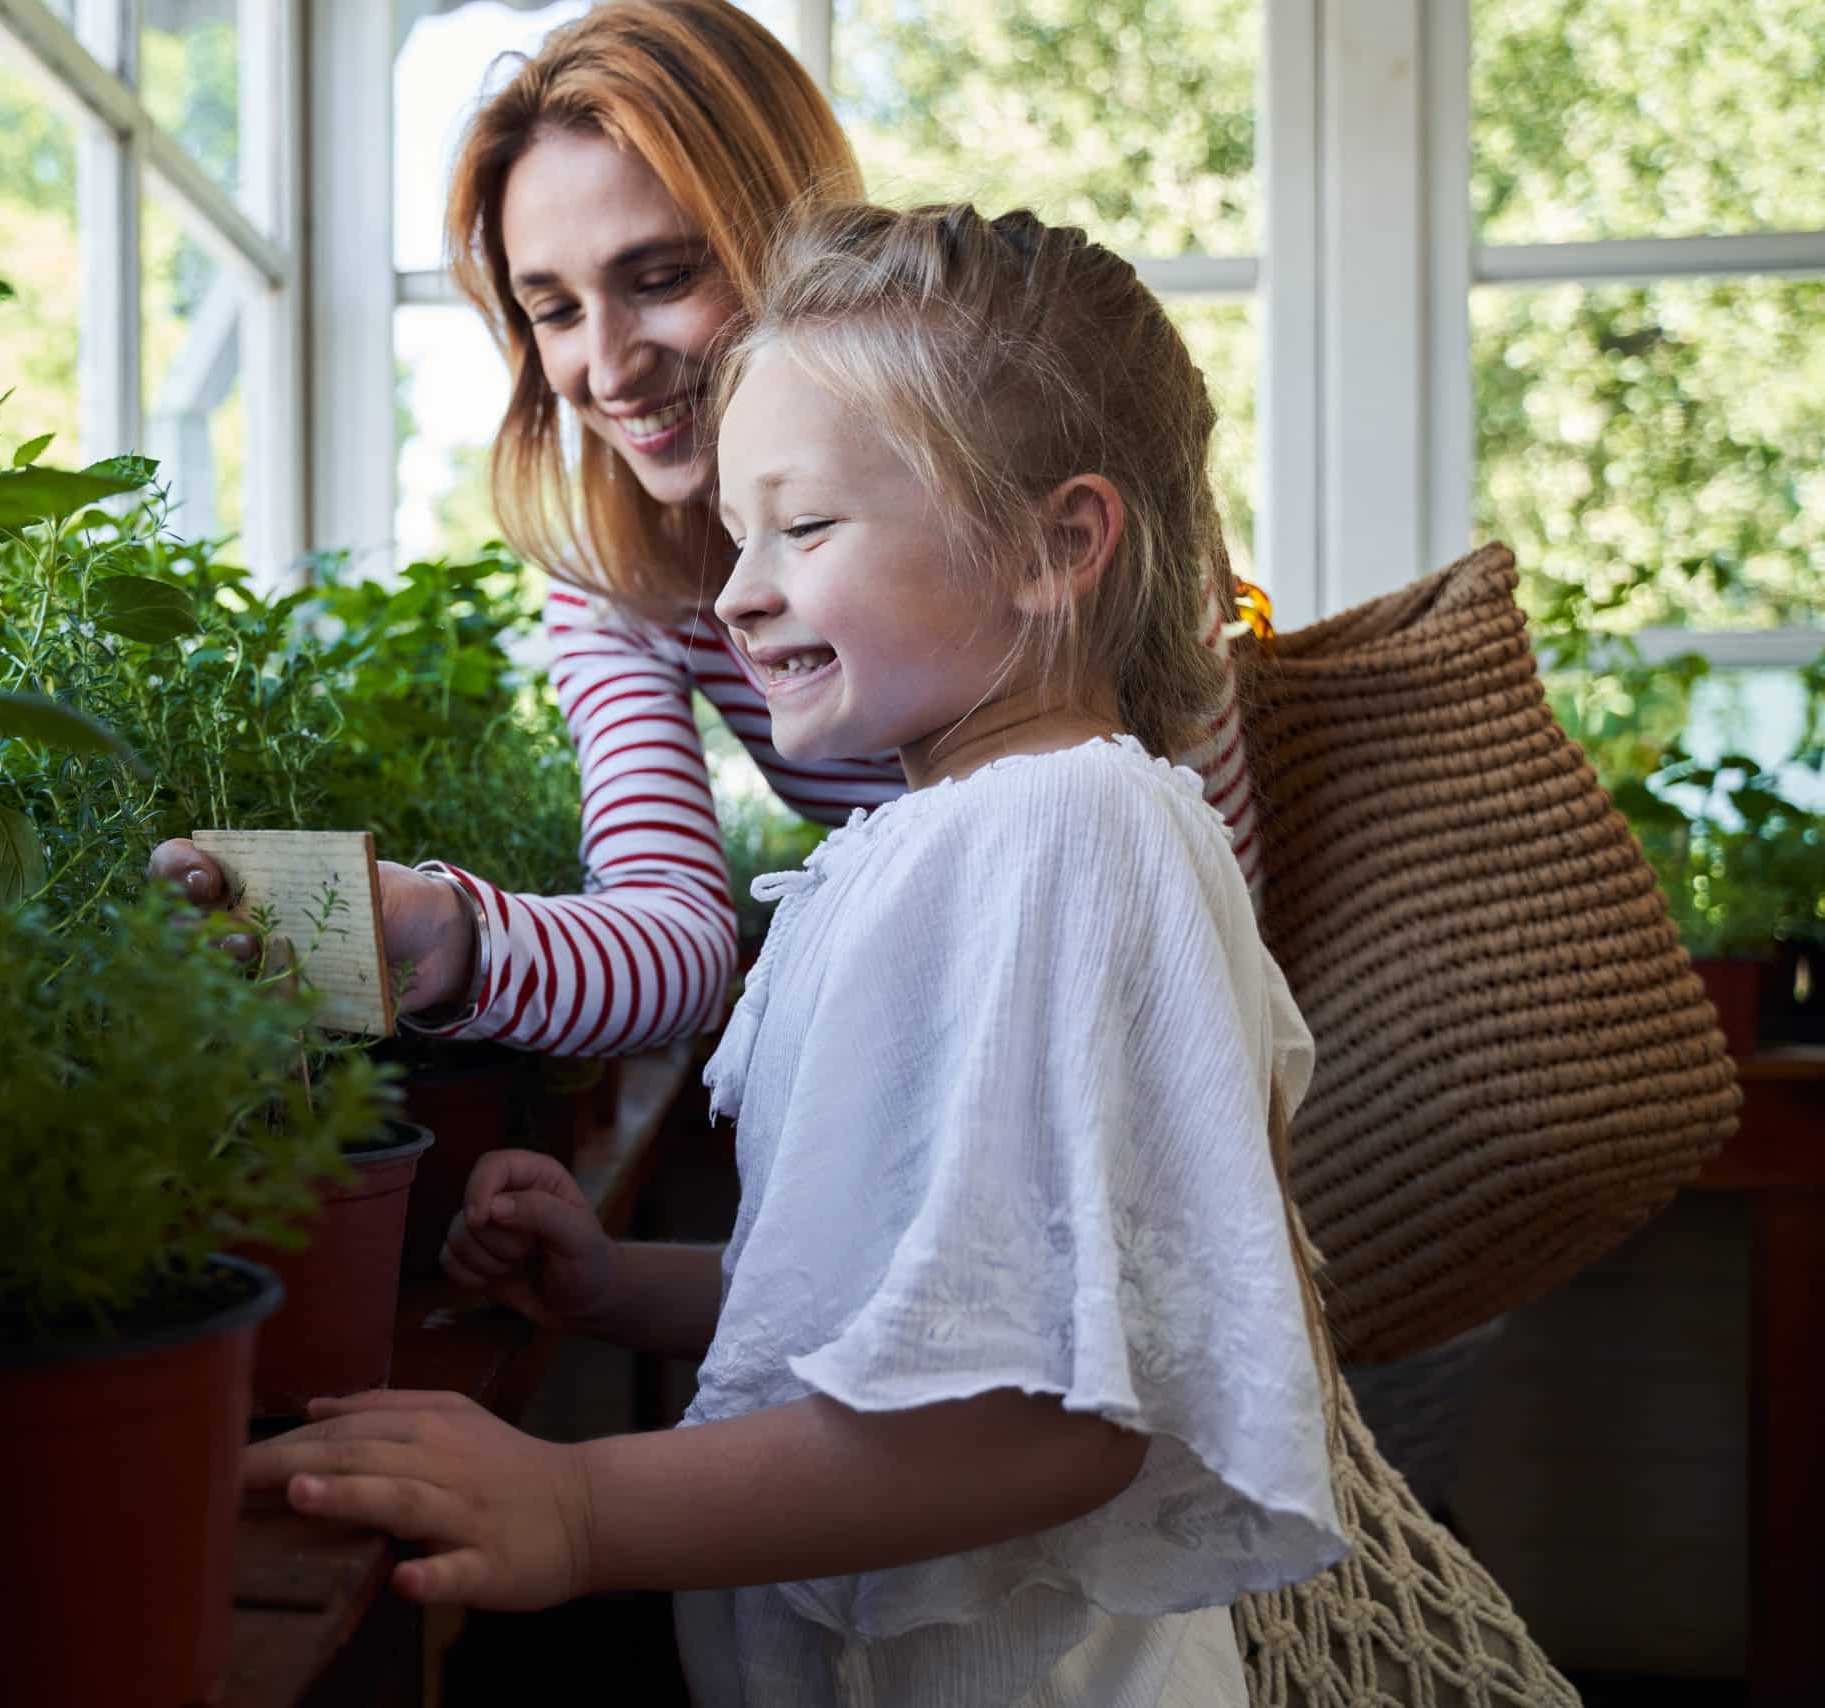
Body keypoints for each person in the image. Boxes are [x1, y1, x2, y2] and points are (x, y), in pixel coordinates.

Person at [243, 198, 1346, 1705]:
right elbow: (909, 1310)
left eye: (804, 528)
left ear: (1054, 541)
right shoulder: (937, 842)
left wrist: (577, 1503)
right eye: (738, 534)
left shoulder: (1062, 834)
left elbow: (1043, 1417)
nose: (739, 590)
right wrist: (616, 1286)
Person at [151, 0, 1262, 1055]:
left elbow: (1202, 918)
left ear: (792, 243)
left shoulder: (1011, 476)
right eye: (553, 309)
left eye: (663, 275)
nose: (612, 364)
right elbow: (674, 932)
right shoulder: (616, 584)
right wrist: (448, 930)